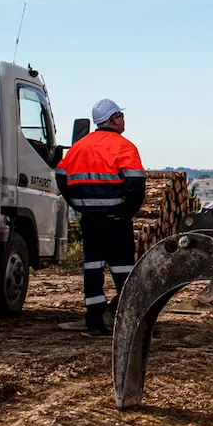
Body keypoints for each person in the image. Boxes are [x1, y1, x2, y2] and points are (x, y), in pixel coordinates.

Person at [56, 98, 146, 335]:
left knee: (93, 268)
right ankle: (130, 323)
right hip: (116, 219)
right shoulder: (124, 147)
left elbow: (61, 174)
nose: (123, 120)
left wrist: (76, 203)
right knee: (124, 270)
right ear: (113, 120)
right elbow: (136, 184)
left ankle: (94, 322)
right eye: (121, 116)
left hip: (90, 219)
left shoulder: (79, 147)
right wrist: (126, 210)